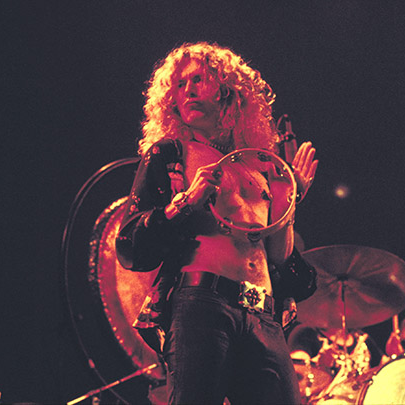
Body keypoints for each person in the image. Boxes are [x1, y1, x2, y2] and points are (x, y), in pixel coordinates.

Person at [115, 42, 318, 404]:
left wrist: (290, 199)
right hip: (202, 304)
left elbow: (279, 258)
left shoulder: (261, 167)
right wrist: (185, 202)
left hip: (263, 314)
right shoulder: (169, 154)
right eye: (179, 85)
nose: (188, 90)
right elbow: (130, 246)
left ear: (227, 90)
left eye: (198, 80)